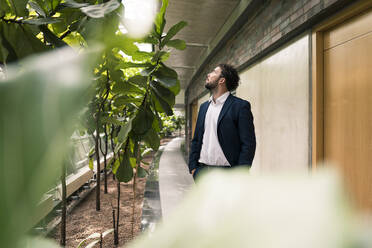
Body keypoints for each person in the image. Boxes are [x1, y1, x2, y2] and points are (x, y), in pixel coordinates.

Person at [188, 64, 256, 180]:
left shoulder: (240, 106)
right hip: (202, 172)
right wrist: (194, 168)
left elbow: (248, 144)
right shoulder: (204, 107)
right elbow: (197, 139)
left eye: (214, 72)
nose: (208, 74)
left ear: (222, 80)